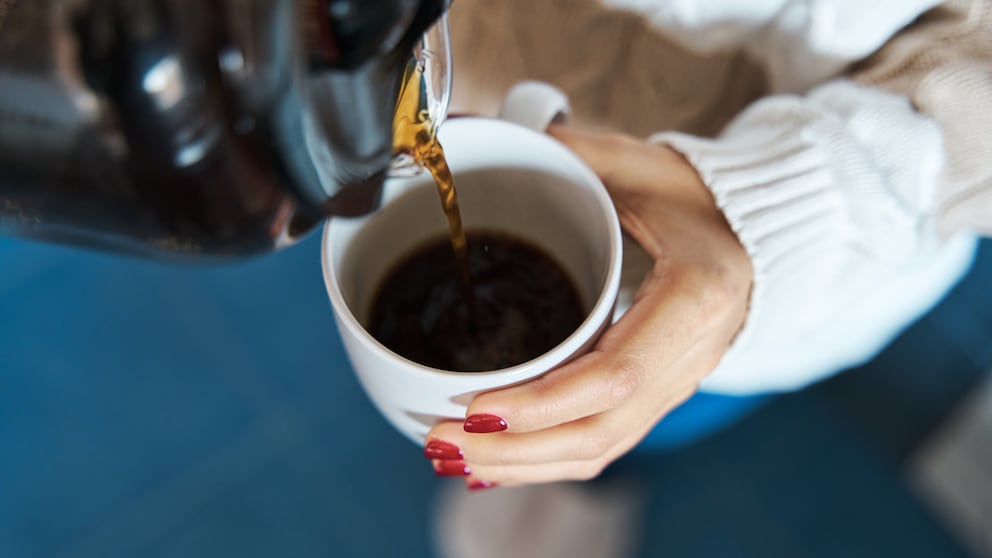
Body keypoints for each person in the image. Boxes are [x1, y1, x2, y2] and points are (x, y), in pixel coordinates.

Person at [417, 0, 992, 491]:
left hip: (808, 258)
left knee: (653, 407)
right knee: (588, 416)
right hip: (458, 71)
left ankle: (591, 482)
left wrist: (781, 210)